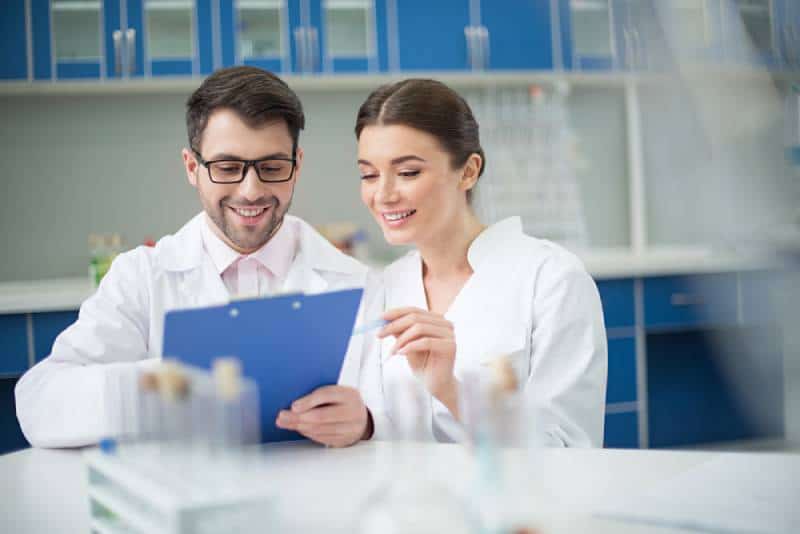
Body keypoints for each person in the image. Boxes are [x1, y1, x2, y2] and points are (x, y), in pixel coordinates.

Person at [15, 66, 384, 449]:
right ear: (193, 168)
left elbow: (403, 407)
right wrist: (160, 384)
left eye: (272, 168)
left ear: (297, 166)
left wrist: (367, 422)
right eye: (227, 168)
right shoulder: (142, 278)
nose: (251, 191)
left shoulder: (355, 281)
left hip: (318, 500)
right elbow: (38, 402)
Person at [354, 79, 608, 446]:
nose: (383, 194)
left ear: (469, 171)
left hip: (512, 503)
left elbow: (570, 447)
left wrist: (453, 392)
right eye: (368, 174)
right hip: (407, 501)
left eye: (408, 172)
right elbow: (382, 433)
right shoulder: (384, 287)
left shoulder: (551, 280)